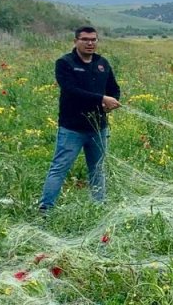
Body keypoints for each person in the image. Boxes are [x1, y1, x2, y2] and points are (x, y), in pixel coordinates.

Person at [38, 26, 121, 213]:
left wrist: (111, 102)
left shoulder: (102, 63)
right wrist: (100, 99)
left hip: (98, 127)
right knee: (59, 168)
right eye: (85, 39)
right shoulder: (65, 63)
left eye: (94, 39)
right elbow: (71, 91)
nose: (90, 43)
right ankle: (45, 210)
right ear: (75, 41)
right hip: (72, 129)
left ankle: (98, 207)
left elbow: (114, 89)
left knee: (97, 170)